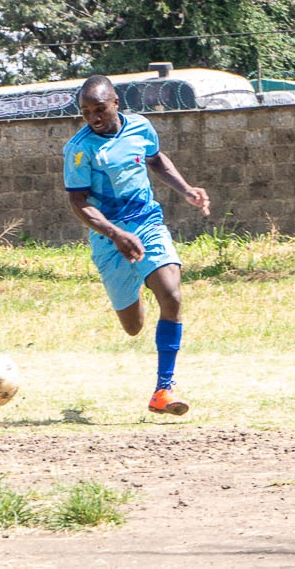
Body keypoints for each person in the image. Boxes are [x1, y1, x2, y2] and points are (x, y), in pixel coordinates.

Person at [63, 74, 210, 415]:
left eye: (99, 109)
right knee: (133, 328)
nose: (93, 118)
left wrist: (186, 189)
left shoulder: (141, 128)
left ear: (116, 103)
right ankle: (139, 281)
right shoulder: (79, 150)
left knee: (172, 295)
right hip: (107, 238)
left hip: (148, 224)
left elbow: (156, 160)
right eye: (86, 112)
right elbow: (79, 203)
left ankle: (163, 390)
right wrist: (115, 234)